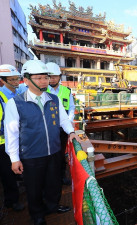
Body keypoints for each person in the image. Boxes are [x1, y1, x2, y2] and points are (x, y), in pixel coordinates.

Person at [5, 60, 81, 225]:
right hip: (31, 155)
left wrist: (72, 132)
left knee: (54, 183)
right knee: (34, 188)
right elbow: (11, 132)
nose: (44, 81)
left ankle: (53, 206)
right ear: (26, 80)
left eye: (45, 77)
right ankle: (37, 215)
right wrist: (14, 159)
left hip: (53, 151)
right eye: (38, 78)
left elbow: (63, 119)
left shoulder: (54, 99)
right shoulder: (15, 103)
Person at [0, 64, 24, 211]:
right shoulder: (2, 96)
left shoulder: (18, 92)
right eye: (12, 79)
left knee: (16, 167)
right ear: (3, 80)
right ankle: (11, 201)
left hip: (17, 136)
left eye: (17, 79)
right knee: (7, 172)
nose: (16, 82)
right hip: (3, 141)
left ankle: (18, 185)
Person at [46, 62, 75, 186]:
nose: (52, 79)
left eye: (55, 76)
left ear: (59, 76)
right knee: (47, 155)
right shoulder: (41, 90)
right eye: (49, 76)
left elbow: (72, 107)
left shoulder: (66, 91)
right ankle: (49, 179)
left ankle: (61, 177)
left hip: (62, 129)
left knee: (61, 154)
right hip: (47, 129)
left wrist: (68, 122)